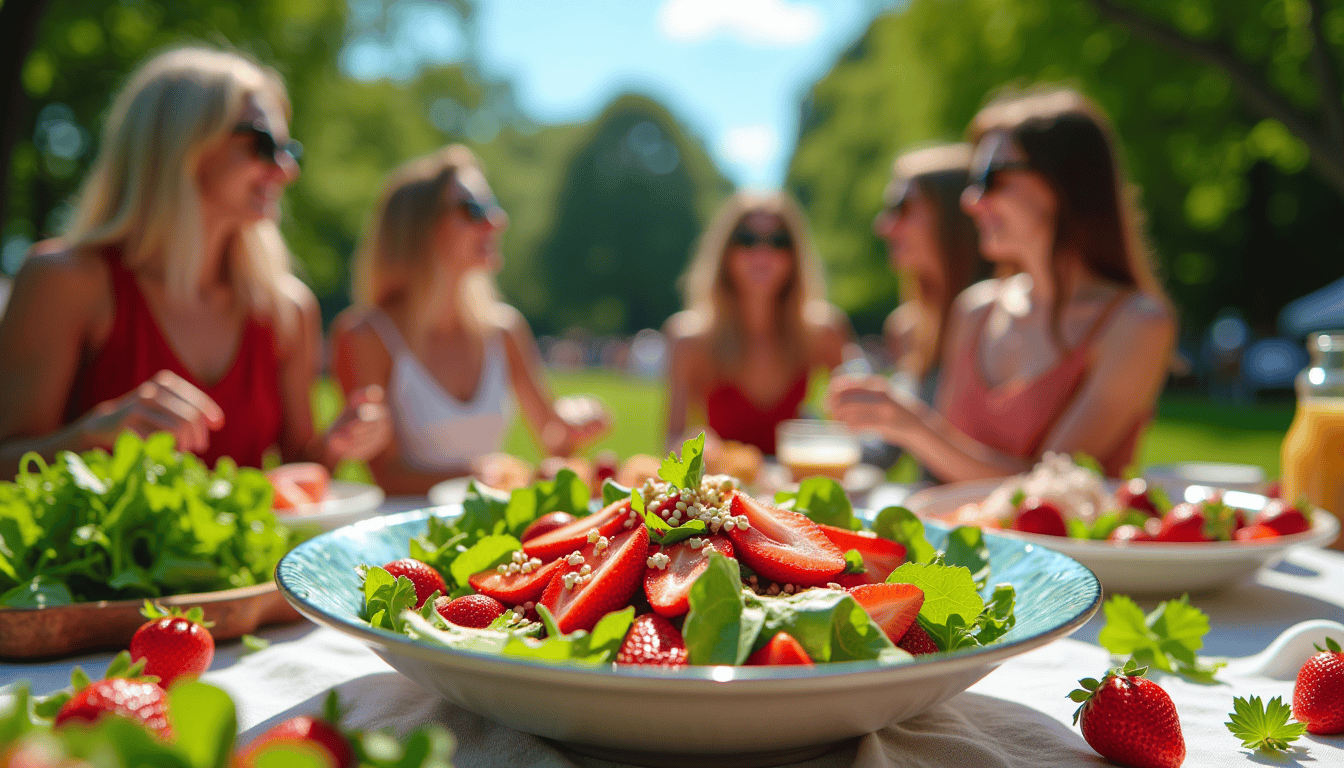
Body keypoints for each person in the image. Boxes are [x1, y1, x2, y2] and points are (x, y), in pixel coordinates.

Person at [0, 47, 390, 477]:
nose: (286, 170)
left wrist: (336, 445)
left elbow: (299, 473)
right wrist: (94, 435)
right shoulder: (65, 280)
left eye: (289, 150)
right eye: (263, 143)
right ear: (178, 144)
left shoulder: (288, 309)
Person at [829, 87, 1176, 481]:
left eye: (991, 178)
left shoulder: (1136, 324)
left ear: (1063, 183)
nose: (971, 201)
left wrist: (913, 426)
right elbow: (944, 476)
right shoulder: (976, 309)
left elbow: (1048, 492)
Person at [331, 145, 610, 496]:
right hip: (408, 537)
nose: (497, 221)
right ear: (419, 226)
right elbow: (387, 474)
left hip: (492, 532)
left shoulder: (505, 329)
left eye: (492, 207)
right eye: (475, 208)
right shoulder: (365, 335)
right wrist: (480, 476)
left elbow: (555, 443)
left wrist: (575, 420)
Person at [664, 191, 855, 458]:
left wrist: (821, 430)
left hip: (793, 492)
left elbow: (855, 427)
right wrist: (696, 447)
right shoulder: (690, 338)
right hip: (726, 494)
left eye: (779, 241)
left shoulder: (823, 331)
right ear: (724, 253)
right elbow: (670, 442)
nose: (762, 252)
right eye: (747, 239)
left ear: (795, 256)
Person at [876, 143, 989, 403]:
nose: (884, 226)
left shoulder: (997, 322)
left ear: (953, 213)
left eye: (901, 206)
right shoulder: (907, 328)